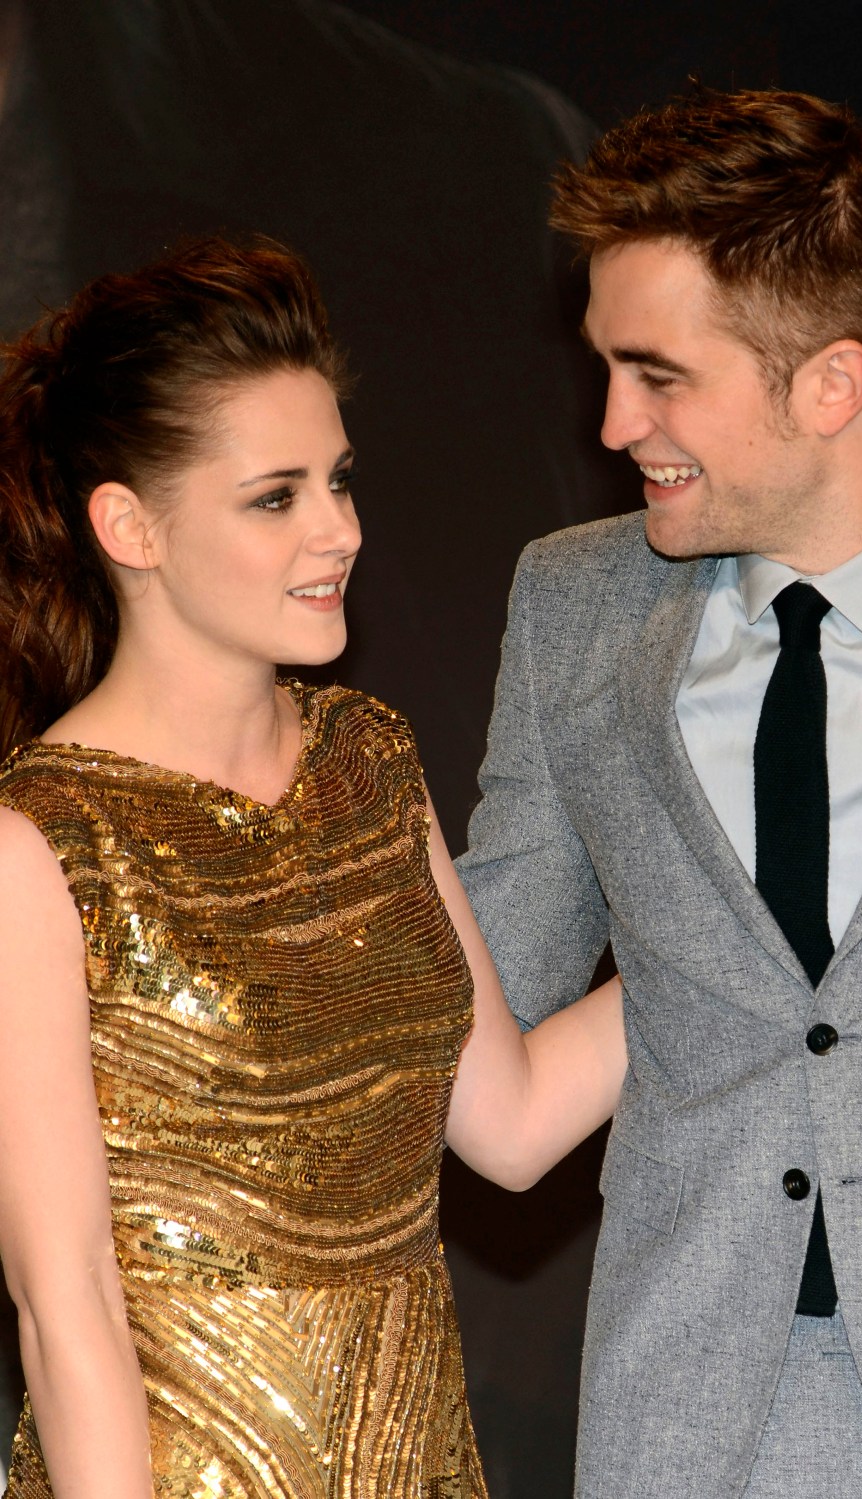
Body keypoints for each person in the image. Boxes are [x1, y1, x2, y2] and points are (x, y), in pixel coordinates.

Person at [0, 237, 626, 1498]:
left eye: (338, 480)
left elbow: (507, 1124)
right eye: (274, 497)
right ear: (128, 525)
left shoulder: (368, 759)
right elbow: (67, 1311)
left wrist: (747, 912)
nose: (341, 529)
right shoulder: (36, 843)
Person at [458, 87, 862, 1499]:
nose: (612, 421)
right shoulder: (572, 608)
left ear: (831, 383)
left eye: (659, 374)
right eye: (605, 365)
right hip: (699, 1417)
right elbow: (486, 1004)